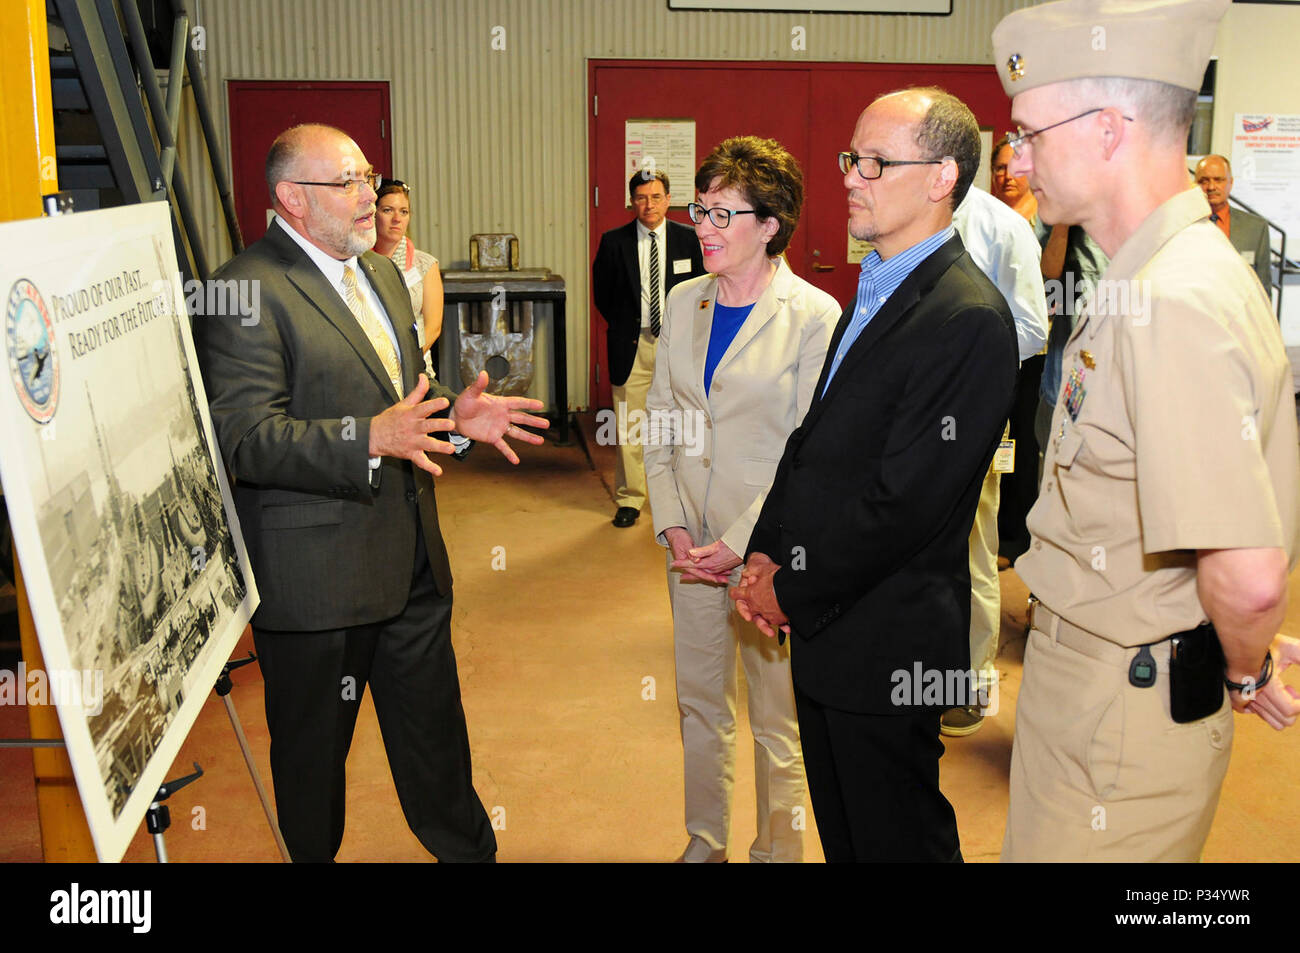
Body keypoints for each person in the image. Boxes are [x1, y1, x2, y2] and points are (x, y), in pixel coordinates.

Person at [993, 0, 1300, 862]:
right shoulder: (1149, 276)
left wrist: (1244, 666)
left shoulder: (1173, 300)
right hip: (1098, 683)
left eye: (1027, 134)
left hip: (1119, 716)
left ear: (1108, 129)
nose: (1013, 160)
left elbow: (1243, 579)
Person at [193, 123, 548, 862]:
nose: (369, 196)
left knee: (437, 751)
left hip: (411, 562)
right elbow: (243, 439)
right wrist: (366, 440)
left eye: (368, 177)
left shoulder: (384, 275)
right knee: (314, 769)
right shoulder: (244, 292)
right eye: (347, 182)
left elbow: (404, 398)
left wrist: (456, 417)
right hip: (317, 586)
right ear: (292, 199)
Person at [730, 87, 1019, 862]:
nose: (850, 177)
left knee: (899, 839)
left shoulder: (968, 318)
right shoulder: (876, 283)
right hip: (829, 625)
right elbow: (813, 439)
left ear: (941, 178)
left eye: (874, 162)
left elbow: (904, 505)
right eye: (850, 159)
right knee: (849, 838)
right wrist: (765, 550)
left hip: (889, 647)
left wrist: (790, 587)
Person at [643, 136, 839, 863]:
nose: (706, 226)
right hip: (689, 552)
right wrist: (672, 528)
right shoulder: (682, 300)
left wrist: (741, 538)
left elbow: (807, 452)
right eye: (702, 209)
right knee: (700, 706)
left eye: (725, 212)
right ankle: (705, 841)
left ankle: (778, 850)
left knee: (776, 715)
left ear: (771, 222)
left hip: (766, 552)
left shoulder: (814, 315)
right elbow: (659, 420)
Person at [945, 184, 1048, 736]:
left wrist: (961, 351)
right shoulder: (905, 213)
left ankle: (971, 684)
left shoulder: (1003, 227)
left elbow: (1033, 330)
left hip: (974, 411)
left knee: (973, 550)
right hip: (913, 412)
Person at [592, 170, 705, 528]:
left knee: (684, 420)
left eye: (656, 197)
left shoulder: (691, 240)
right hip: (633, 343)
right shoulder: (613, 242)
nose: (649, 205)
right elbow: (604, 297)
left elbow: (705, 291)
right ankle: (631, 498)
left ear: (668, 199)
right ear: (632, 202)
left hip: (679, 345)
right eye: (641, 198)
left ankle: (684, 496)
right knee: (630, 424)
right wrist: (633, 326)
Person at [373, 178, 443, 378]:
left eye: (403, 212)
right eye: (387, 210)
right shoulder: (357, 263)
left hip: (415, 368)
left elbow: (433, 327)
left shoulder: (425, 265)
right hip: (374, 371)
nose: (397, 218)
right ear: (373, 213)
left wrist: (407, 361)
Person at [1194, 154, 1273, 295]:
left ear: (1231, 183)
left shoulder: (1255, 228)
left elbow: (1263, 289)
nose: (1211, 187)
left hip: (1239, 314)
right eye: (1204, 181)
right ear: (1195, 185)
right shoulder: (1182, 225)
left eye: (1219, 180)